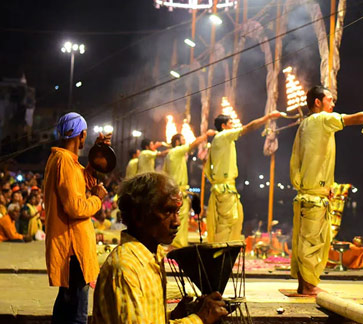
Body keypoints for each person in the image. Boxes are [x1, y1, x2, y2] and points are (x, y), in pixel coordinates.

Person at [289, 85, 363, 295]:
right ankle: (308, 286)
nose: (333, 104)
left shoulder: (305, 125)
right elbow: (356, 118)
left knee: (307, 242)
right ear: (318, 102)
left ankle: (305, 285)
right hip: (313, 197)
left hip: (311, 194)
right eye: (330, 100)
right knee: (312, 244)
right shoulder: (320, 120)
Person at [92, 172, 228, 324]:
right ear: (138, 215)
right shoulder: (126, 268)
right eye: (167, 211)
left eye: (177, 212)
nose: (176, 222)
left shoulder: (152, 257)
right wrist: (199, 319)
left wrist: (173, 316)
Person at [43, 112, 109, 324]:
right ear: (82, 134)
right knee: (77, 316)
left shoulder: (62, 160)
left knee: (64, 308)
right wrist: (97, 199)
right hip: (74, 251)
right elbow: (75, 207)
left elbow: (83, 180)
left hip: (71, 249)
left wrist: (98, 152)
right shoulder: (65, 162)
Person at [204, 110, 283, 242]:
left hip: (226, 187)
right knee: (227, 222)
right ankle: (220, 253)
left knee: (232, 220)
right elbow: (249, 127)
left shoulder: (220, 138)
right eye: (230, 123)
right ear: (223, 126)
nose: (233, 125)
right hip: (224, 189)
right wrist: (268, 117)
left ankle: (223, 252)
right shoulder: (223, 136)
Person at [164, 130, 215, 248]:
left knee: (174, 218)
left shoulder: (169, 154)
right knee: (179, 219)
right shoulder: (177, 151)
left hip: (171, 190)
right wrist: (206, 135)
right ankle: (177, 246)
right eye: (182, 140)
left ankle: (174, 245)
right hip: (178, 191)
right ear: (177, 142)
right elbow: (194, 144)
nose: (185, 142)